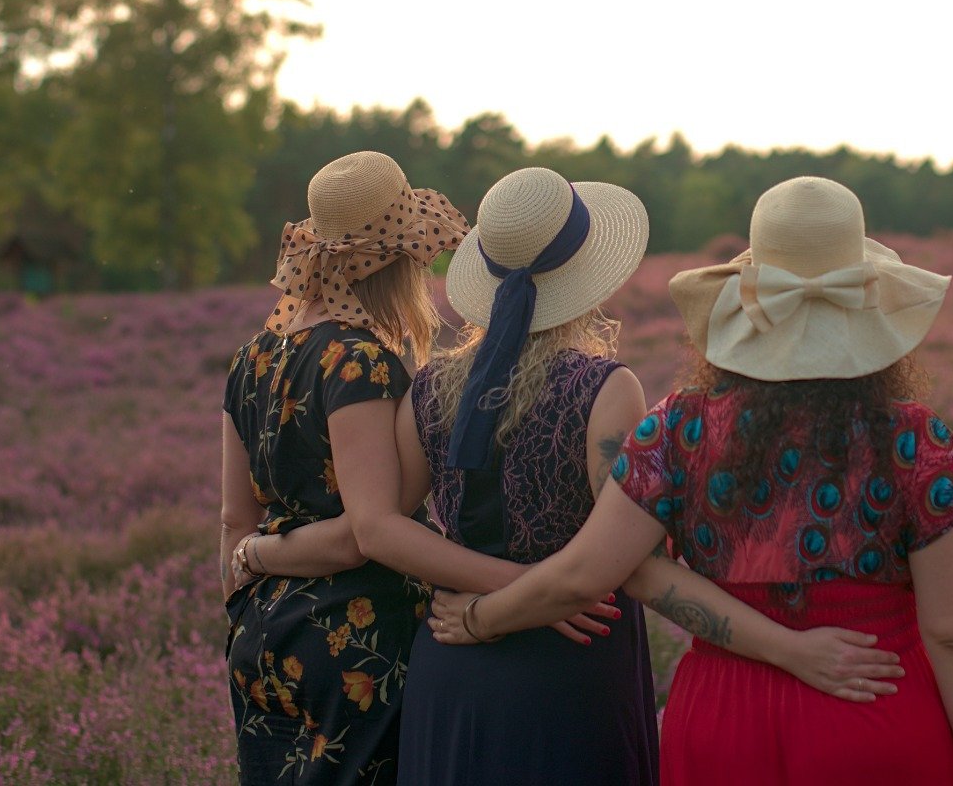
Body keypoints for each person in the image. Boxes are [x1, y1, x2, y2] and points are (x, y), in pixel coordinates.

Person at [341, 167, 910, 786]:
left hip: (450, 655)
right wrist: (538, 590)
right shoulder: (604, 388)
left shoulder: (427, 387)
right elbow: (634, 559)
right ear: (584, 274)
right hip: (571, 660)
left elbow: (385, 528)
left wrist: (486, 600)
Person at [219, 151, 469, 785]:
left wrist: (248, 592)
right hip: (353, 646)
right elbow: (366, 531)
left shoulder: (250, 356)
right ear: (394, 263)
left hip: (259, 637)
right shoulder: (358, 361)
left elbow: (233, 520)